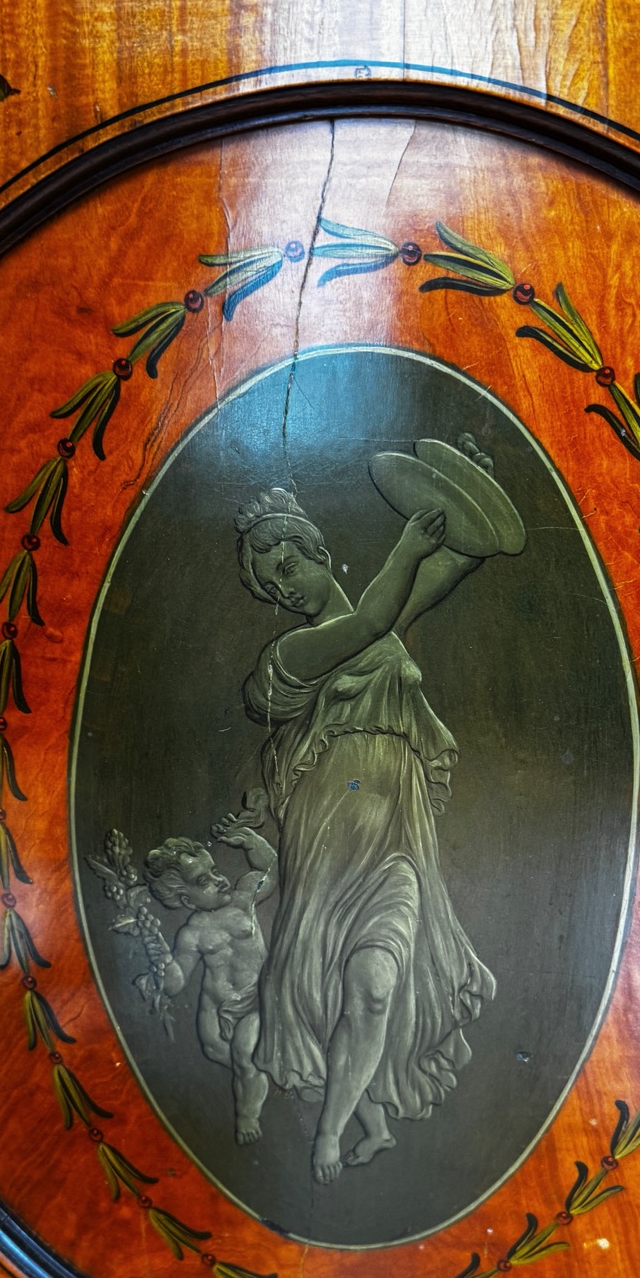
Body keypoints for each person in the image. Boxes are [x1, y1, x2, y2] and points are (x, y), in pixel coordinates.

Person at [235, 477, 496, 1185]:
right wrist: (409, 544)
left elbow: (456, 558)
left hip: (397, 843)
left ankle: (333, 1131)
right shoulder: (292, 655)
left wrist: (461, 497)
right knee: (330, 986)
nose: (284, 588)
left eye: (287, 565)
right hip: (328, 846)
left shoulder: (380, 626)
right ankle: (333, 1130)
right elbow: (376, 617)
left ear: (318, 551)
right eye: (270, 585)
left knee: (377, 986)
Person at [141, 818, 277, 1145]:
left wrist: (251, 841)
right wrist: (161, 960)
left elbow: (272, 870)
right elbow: (176, 982)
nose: (219, 880)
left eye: (215, 871)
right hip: (214, 1005)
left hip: (254, 1000)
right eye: (204, 881)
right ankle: (261, 1071)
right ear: (187, 900)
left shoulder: (244, 898)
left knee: (245, 1054)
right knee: (216, 1049)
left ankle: (248, 1113)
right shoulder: (191, 934)